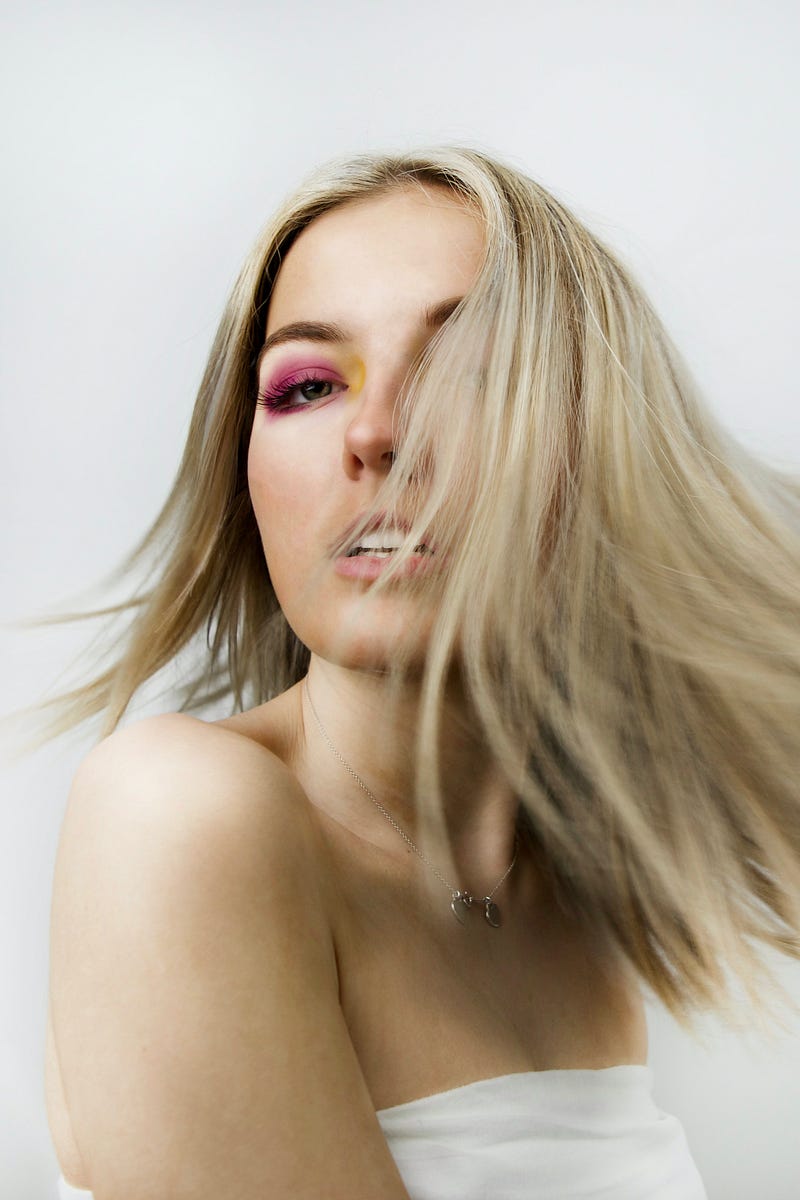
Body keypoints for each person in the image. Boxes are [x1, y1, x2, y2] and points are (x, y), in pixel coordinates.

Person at [36, 145, 799, 1198]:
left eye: (468, 372)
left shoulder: (571, 891)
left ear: (598, 446)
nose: (376, 432)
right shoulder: (177, 811)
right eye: (307, 385)